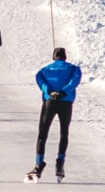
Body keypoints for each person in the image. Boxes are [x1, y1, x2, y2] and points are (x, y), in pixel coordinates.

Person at [28, 48, 83, 181]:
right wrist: (64, 92)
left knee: (43, 133)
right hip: (66, 102)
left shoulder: (45, 70)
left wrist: (50, 91)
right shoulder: (74, 68)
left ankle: (38, 164)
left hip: (50, 102)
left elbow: (39, 78)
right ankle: (60, 163)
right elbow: (75, 80)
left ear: (54, 57)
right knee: (64, 133)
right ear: (65, 56)